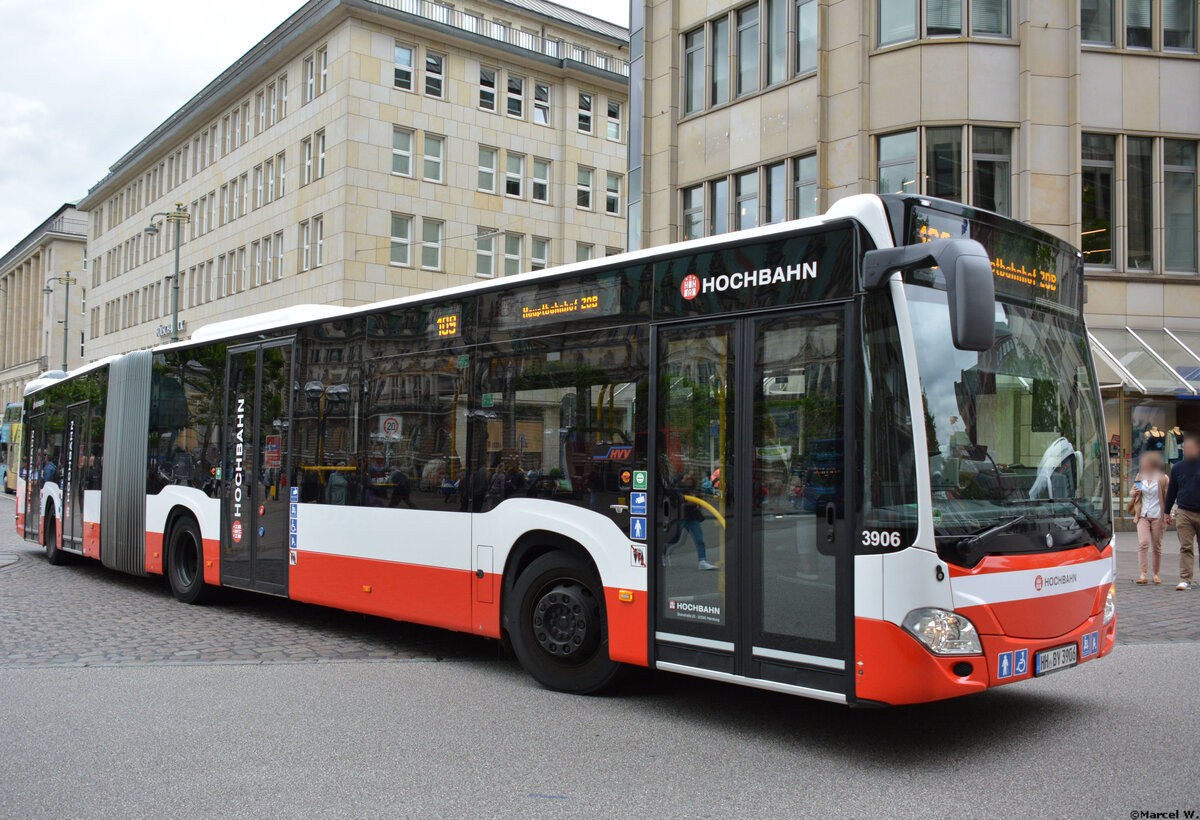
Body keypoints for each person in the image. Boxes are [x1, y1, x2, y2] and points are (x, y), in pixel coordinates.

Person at [1165, 432, 1200, 590]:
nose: (1186, 450)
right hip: (1184, 512)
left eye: (1189, 447)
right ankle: (1185, 579)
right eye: (1184, 448)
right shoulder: (1178, 468)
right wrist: (1167, 512)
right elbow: (1172, 490)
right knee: (1186, 547)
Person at [1128, 451, 1168, 585]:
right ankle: (1143, 574)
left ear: (1152, 463)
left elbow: (1168, 498)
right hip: (1143, 515)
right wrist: (1134, 492)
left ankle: (1155, 574)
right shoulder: (1140, 476)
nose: (1142, 464)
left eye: (1145, 462)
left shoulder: (1163, 478)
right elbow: (1133, 492)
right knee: (1143, 543)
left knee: (1156, 546)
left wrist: (1170, 514)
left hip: (1158, 516)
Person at [665, 472, 717, 571]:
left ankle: (702, 561)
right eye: (687, 478)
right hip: (681, 517)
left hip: (692, 517)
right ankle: (662, 555)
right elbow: (675, 500)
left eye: (690, 479)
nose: (688, 479)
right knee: (674, 539)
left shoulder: (694, 490)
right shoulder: (678, 488)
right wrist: (686, 502)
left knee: (699, 540)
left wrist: (697, 504)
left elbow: (699, 501)